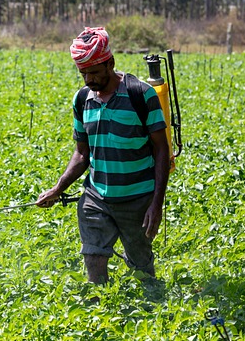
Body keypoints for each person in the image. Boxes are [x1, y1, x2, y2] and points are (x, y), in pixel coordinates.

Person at [36, 26, 169, 284]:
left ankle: (152, 309)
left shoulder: (141, 95)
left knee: (142, 268)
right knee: (93, 257)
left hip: (137, 200)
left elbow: (161, 150)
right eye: (83, 73)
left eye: (94, 72)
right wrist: (57, 188)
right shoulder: (82, 99)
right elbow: (82, 154)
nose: (88, 79)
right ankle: (99, 310)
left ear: (110, 63)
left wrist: (156, 202)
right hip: (96, 196)